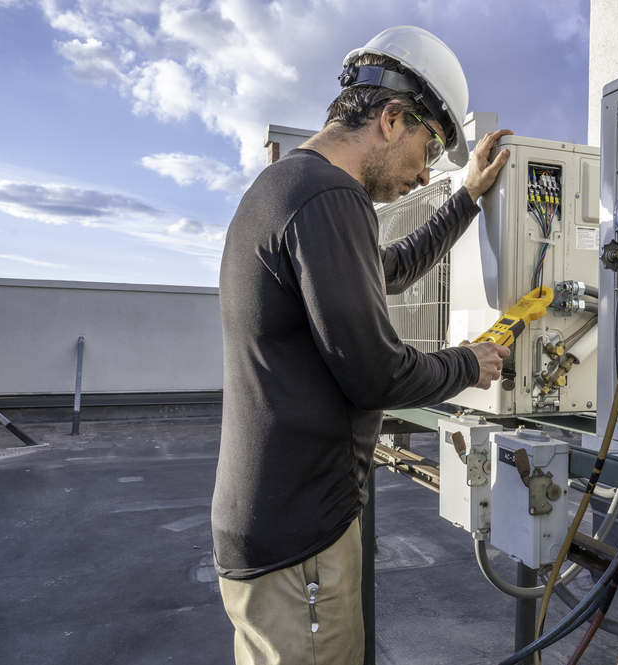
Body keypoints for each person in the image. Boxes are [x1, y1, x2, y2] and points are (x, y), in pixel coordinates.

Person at [212, 25, 513, 665]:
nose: (425, 170)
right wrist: (471, 363)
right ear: (391, 118)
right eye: (427, 145)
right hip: (302, 545)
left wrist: (464, 201)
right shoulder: (328, 197)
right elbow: (374, 374)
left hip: (272, 527)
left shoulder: (289, 188)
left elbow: (388, 266)